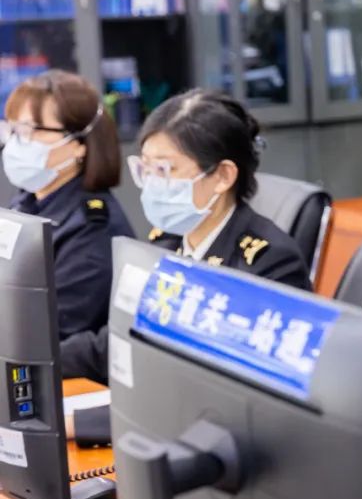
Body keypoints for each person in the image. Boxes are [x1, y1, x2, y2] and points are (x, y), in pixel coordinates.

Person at [62, 88, 311, 445]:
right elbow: (119, 339)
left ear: (223, 176)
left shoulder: (268, 262)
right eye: (145, 169)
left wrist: (85, 423)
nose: (151, 184)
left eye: (164, 170)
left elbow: (220, 396)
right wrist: (39, 362)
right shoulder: (167, 242)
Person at [3, 70, 133, 340]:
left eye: (31, 130)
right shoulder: (28, 201)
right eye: (14, 129)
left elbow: (54, 329)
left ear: (78, 145)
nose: (16, 142)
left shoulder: (93, 228)